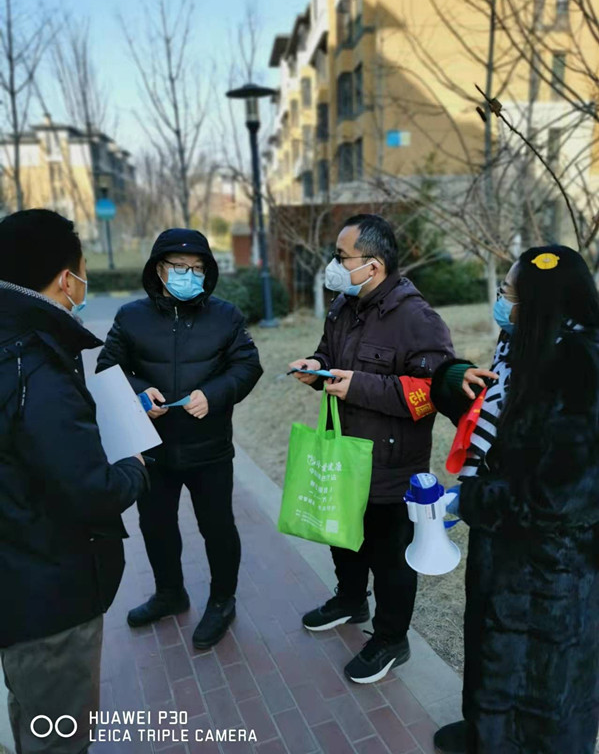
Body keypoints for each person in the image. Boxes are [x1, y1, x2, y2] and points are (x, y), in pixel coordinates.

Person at [430, 246, 599, 754]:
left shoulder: (581, 365)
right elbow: (499, 419)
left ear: (540, 301)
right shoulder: (524, 345)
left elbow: (561, 494)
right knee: (494, 648)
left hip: (553, 565)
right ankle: (486, 730)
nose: (501, 301)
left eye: (509, 292)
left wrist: (472, 498)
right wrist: (454, 380)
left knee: (544, 677)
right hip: (505, 546)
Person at [0, 209, 149, 753]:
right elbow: (92, 491)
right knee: (59, 736)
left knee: (30, 715)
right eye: (83, 269)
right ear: (67, 278)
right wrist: (133, 467)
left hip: (18, 580)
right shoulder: (35, 363)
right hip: (49, 595)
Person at [289, 213, 454, 683]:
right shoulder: (344, 305)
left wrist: (358, 386)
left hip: (390, 466)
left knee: (390, 557)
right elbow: (329, 353)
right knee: (343, 536)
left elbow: (431, 395)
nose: (334, 265)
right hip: (344, 452)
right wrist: (315, 366)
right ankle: (349, 599)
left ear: (374, 265)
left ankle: (391, 639)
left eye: (342, 257)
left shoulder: (417, 320)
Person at [96, 228, 262, 649]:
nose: (190, 275)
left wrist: (215, 395)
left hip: (209, 447)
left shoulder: (225, 316)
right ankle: (170, 593)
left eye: (198, 268)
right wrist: (138, 394)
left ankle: (222, 600)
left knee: (217, 527)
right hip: (152, 449)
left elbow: (247, 366)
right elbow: (107, 367)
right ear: (158, 269)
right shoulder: (130, 317)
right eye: (179, 267)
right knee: (156, 525)